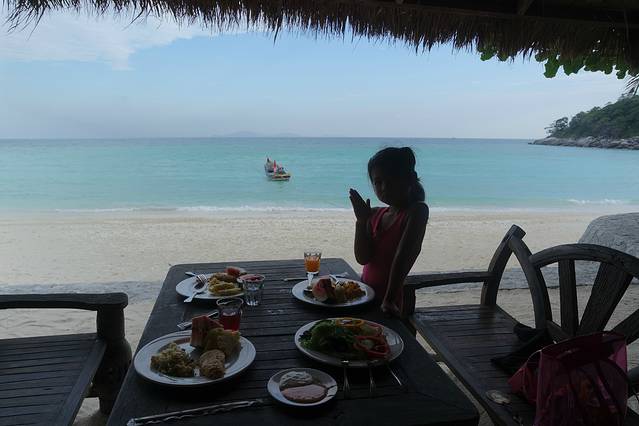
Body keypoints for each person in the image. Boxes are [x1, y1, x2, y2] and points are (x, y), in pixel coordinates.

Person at [349, 147, 429, 316]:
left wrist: (389, 299)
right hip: (363, 296)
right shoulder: (374, 214)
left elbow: (403, 256)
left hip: (388, 303)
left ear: (410, 179)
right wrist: (361, 221)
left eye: (392, 180)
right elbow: (363, 258)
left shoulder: (417, 211)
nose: (384, 187)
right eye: (378, 182)